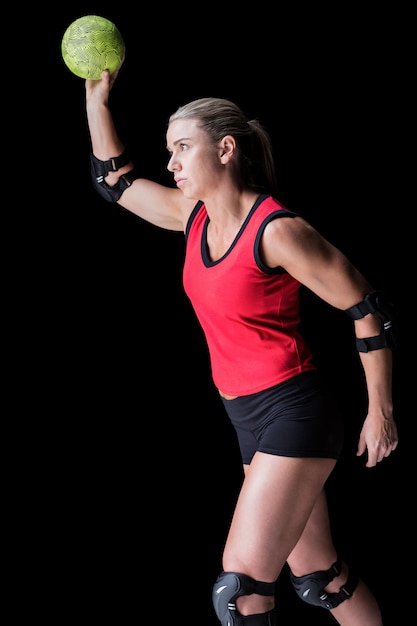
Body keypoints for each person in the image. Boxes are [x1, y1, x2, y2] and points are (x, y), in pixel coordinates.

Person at [84, 61, 398, 625]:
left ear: (225, 149)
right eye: (169, 150)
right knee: (320, 577)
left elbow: (367, 310)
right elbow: (114, 181)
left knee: (242, 591)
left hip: (293, 411)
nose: (172, 162)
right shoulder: (193, 218)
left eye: (183, 148)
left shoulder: (276, 231)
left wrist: (380, 411)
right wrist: (96, 101)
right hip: (246, 416)